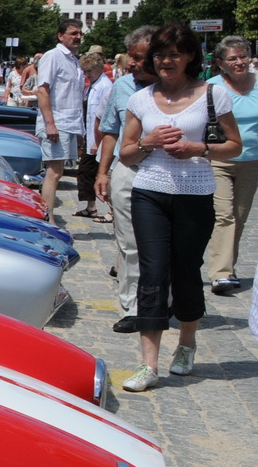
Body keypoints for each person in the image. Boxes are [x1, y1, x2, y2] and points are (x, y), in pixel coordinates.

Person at [117, 24, 241, 391]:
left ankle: (186, 343)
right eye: (159, 55)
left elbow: (234, 145)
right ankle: (149, 365)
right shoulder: (141, 99)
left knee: (186, 270)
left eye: (173, 54)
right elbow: (126, 153)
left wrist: (197, 148)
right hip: (150, 193)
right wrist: (149, 142)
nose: (165, 61)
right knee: (152, 272)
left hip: (195, 193)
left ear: (190, 56)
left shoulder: (212, 95)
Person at [94, 26, 156, 334]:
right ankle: (132, 306)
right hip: (127, 171)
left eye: (139, 57)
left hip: (166, 173)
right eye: (130, 56)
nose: (131, 63)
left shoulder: (177, 90)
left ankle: (162, 301)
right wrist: (103, 172)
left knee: (163, 246)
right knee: (129, 244)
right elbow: (110, 132)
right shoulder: (122, 87)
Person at [206, 35, 257, 295]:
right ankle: (221, 273)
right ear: (221, 63)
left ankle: (229, 266)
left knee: (239, 216)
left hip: (252, 161)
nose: (239, 62)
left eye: (243, 56)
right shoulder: (212, 87)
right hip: (220, 158)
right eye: (233, 58)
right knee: (223, 215)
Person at [34, 20, 87, 217]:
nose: (78, 37)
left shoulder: (73, 60)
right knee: (54, 172)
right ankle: (47, 218)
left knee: (59, 172)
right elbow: (42, 90)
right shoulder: (53, 56)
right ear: (60, 35)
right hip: (57, 122)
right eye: (73, 33)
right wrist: (50, 124)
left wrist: (79, 130)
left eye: (80, 33)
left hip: (70, 123)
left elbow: (74, 96)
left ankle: (48, 215)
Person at [77, 46, 114, 221]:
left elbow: (102, 117)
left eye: (89, 71)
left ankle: (110, 209)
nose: (87, 75)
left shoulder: (105, 87)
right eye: (85, 71)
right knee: (87, 172)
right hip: (90, 135)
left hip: (97, 138)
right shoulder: (93, 85)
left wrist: (97, 141)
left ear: (99, 68)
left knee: (94, 172)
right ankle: (91, 207)